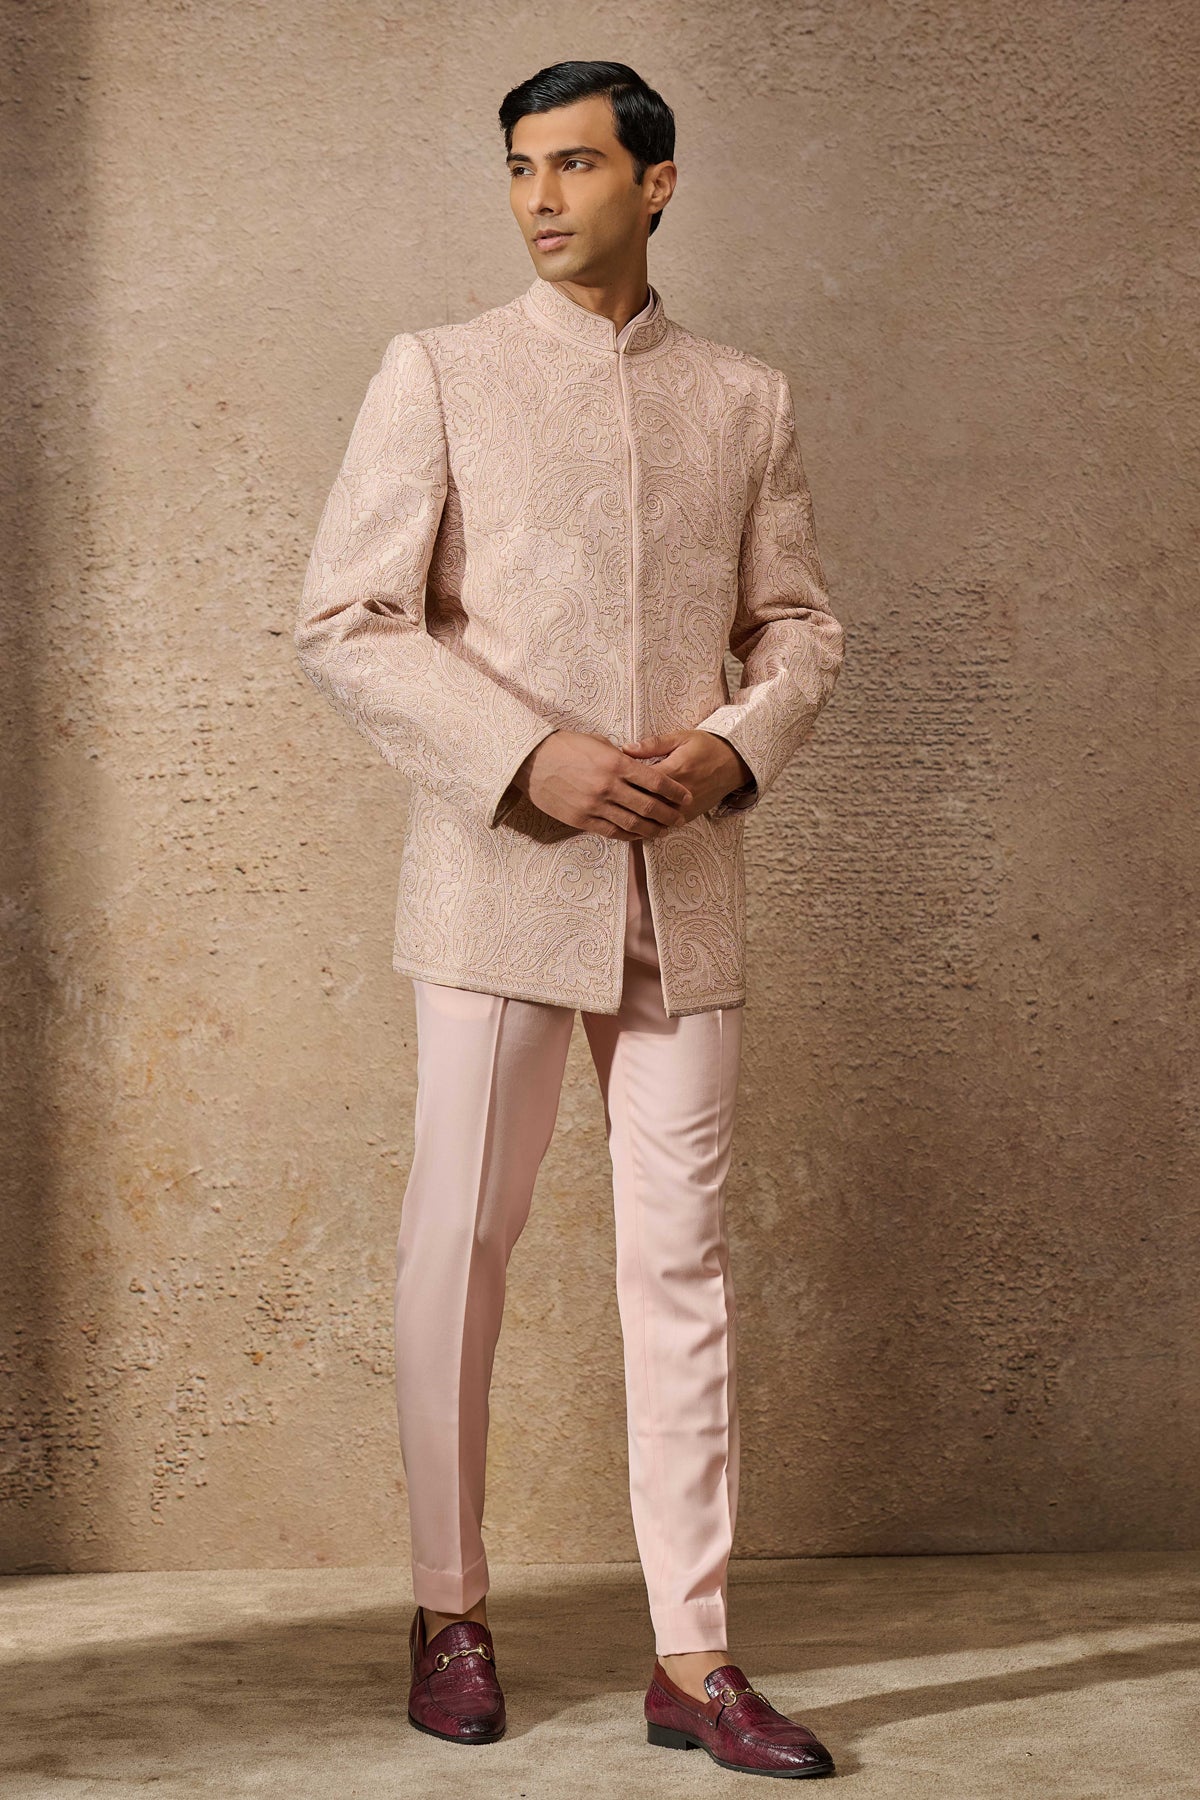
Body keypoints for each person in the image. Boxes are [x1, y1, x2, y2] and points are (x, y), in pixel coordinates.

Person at [295, 57, 844, 1778]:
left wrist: (735, 748)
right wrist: (528, 757)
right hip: (501, 886)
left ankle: (696, 1656)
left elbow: (799, 625)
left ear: (656, 182)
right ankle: (448, 1609)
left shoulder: (744, 397)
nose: (542, 197)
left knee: (681, 1265)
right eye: (521, 168)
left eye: (578, 165)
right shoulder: (441, 371)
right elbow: (348, 617)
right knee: (458, 1243)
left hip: (685, 888)